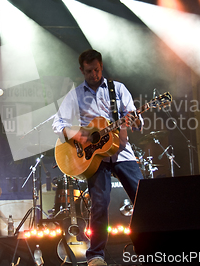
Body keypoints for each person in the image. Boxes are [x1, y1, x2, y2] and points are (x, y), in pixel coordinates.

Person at [52, 49, 144, 266]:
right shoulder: (75, 95)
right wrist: (76, 134)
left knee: (143, 198)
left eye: (97, 70)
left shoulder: (118, 89)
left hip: (121, 152)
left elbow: (135, 120)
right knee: (99, 204)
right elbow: (58, 123)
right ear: (81, 70)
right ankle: (96, 255)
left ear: (101, 67)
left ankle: (148, 247)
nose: (94, 75)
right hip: (94, 158)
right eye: (89, 71)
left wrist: (135, 121)